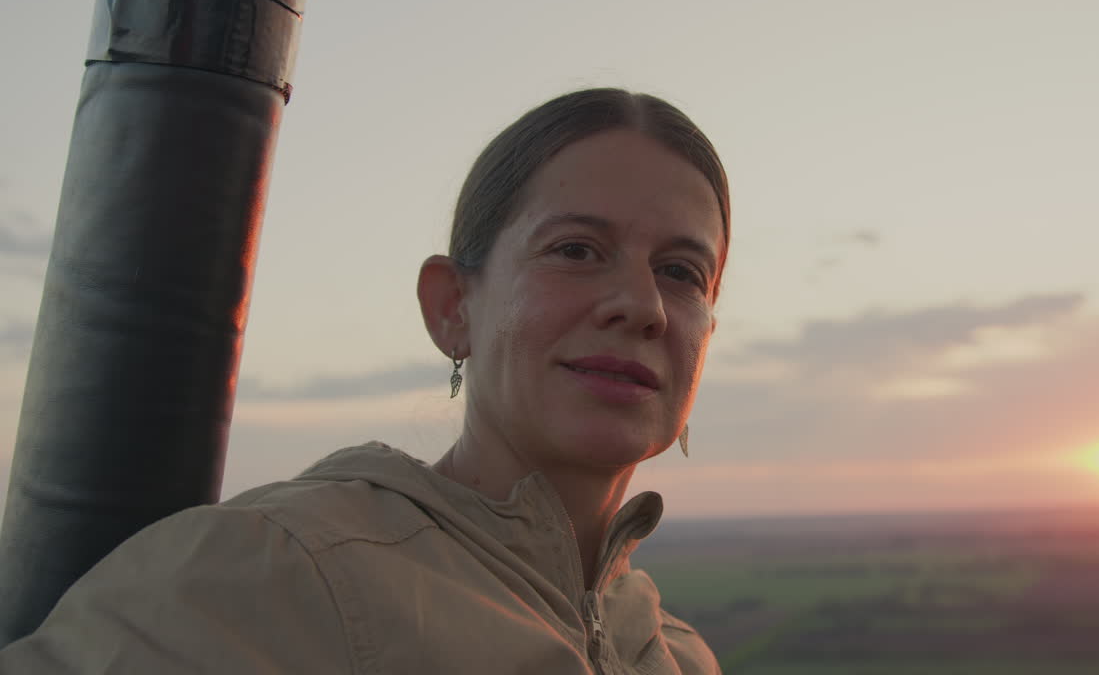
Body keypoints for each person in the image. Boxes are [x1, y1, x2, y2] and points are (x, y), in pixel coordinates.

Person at [0, 88, 730, 674]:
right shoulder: (273, 575)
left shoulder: (676, 652)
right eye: (576, 250)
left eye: (680, 272)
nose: (641, 306)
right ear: (453, 308)